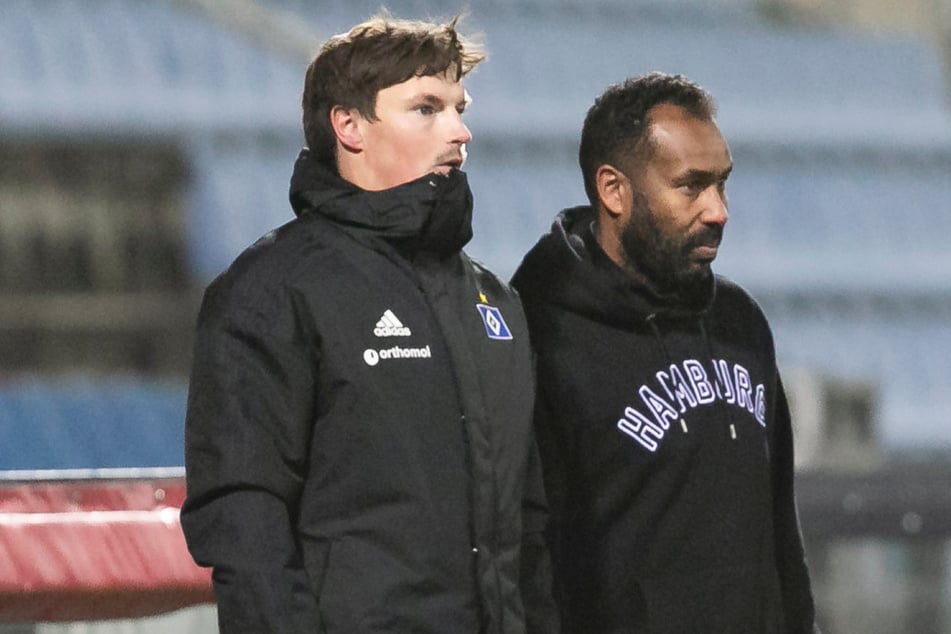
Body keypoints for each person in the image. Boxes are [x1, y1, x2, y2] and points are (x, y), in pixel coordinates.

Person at [181, 14, 556, 634]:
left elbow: (531, 521)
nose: (460, 132)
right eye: (426, 108)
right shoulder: (272, 290)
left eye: (459, 108)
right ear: (349, 126)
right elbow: (245, 518)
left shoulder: (496, 302)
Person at [511, 72, 819, 633]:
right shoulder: (539, 333)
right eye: (691, 185)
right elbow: (530, 555)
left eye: (722, 183)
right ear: (613, 190)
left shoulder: (740, 322)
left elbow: (781, 531)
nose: (718, 209)